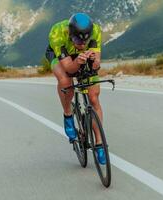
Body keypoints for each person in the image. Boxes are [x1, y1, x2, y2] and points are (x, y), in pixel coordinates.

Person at [45, 13, 105, 164]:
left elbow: (97, 65)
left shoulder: (96, 31)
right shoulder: (58, 33)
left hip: (79, 57)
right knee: (66, 81)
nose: (82, 44)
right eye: (78, 39)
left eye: (85, 40)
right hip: (60, 56)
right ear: (71, 34)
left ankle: (99, 144)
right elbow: (70, 69)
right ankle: (68, 114)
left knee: (93, 97)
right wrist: (78, 61)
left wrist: (93, 61)